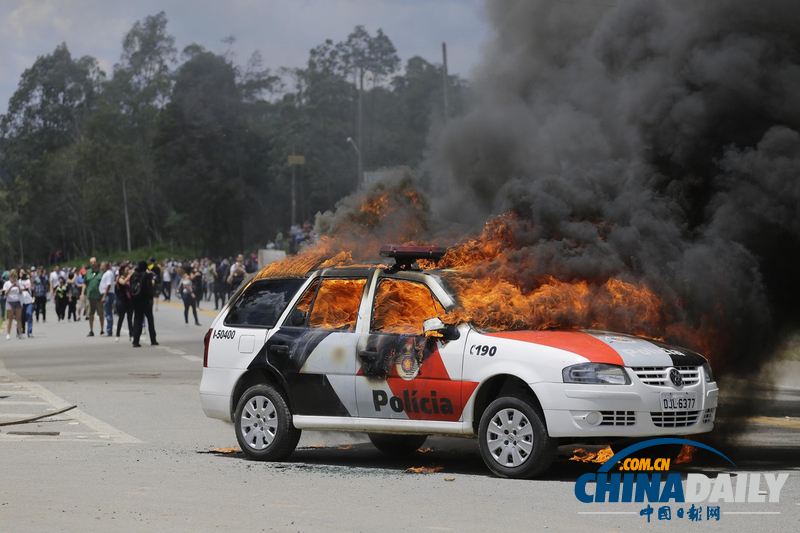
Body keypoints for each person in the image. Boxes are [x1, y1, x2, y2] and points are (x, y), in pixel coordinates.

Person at [130, 260, 158, 347]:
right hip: (145, 300)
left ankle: (135, 340)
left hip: (136, 300)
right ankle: (153, 340)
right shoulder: (147, 275)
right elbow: (149, 287)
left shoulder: (134, 276)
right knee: (150, 320)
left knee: (137, 320)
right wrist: (150, 297)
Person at [82, 257, 104, 336]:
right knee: (90, 314)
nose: (93, 264)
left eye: (94, 262)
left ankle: (102, 330)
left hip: (99, 296)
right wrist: (82, 293)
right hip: (90, 296)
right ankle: (91, 330)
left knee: (101, 314)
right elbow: (85, 283)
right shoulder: (88, 272)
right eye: (91, 262)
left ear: (97, 262)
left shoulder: (101, 272)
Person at [115, 262, 134, 343]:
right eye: (126, 270)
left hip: (129, 301)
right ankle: (117, 335)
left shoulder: (130, 278)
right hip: (122, 301)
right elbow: (123, 283)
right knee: (121, 318)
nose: (128, 271)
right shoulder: (120, 278)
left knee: (130, 319)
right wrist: (130, 275)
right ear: (122, 271)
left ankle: (131, 335)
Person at [4, 270, 24, 340]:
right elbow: (6, 293)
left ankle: (20, 334)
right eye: (12, 276)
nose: (13, 277)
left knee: (18, 318)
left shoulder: (19, 282)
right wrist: (11, 287)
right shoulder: (7, 283)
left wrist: (18, 287)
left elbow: (21, 292)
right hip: (10, 301)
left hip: (17, 301)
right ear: (10, 276)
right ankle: (8, 334)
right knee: (10, 318)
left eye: (15, 276)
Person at [99, 261, 115, 336]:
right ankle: (109, 330)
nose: (101, 267)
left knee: (108, 314)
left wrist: (104, 296)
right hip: (107, 294)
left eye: (102, 266)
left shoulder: (108, 273)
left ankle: (109, 331)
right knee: (107, 313)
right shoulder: (106, 273)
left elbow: (108, 285)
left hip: (108, 295)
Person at [19, 268, 34, 338]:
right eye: (21, 273)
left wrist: (30, 277)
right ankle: (19, 331)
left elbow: (33, 286)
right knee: (21, 317)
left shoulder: (28, 281)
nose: (23, 275)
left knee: (29, 315)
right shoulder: (18, 281)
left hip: (29, 301)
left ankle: (29, 332)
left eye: (24, 273)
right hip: (21, 302)